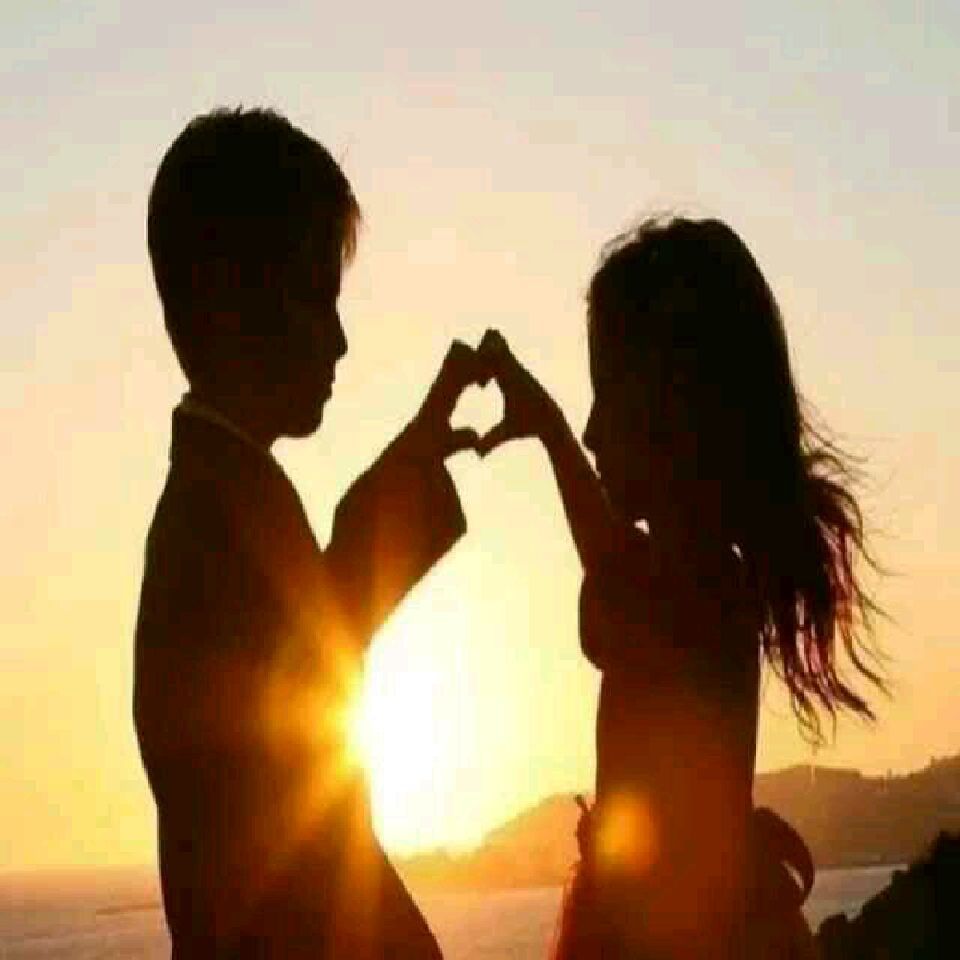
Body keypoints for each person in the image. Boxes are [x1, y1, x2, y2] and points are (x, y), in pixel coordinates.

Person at [477, 216, 884, 958]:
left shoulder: (696, 587)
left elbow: (611, 569)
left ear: (677, 409)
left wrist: (549, 429)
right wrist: (548, 426)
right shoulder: (699, 576)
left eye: (606, 397)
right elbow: (612, 561)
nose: (592, 432)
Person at [134, 107, 485, 959]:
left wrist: (413, 459)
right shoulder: (216, 525)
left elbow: (311, 635)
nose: (338, 340)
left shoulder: (224, 504)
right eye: (315, 297)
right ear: (230, 299)